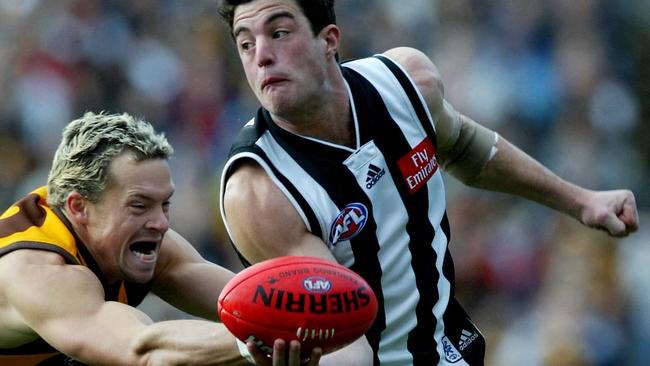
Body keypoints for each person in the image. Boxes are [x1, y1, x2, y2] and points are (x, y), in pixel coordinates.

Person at [216, 0, 640, 365]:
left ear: (328, 40)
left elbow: (467, 147)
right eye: (246, 43)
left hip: (454, 345)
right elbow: (342, 330)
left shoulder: (405, 81)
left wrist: (581, 200)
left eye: (280, 32)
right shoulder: (258, 190)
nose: (262, 56)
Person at [0, 112, 321, 366]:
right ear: (79, 207)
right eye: (139, 206)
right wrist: (263, 342)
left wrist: (315, 313)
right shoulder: (37, 271)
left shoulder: (133, 240)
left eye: (164, 204)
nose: (161, 223)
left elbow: (249, 305)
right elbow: (142, 350)